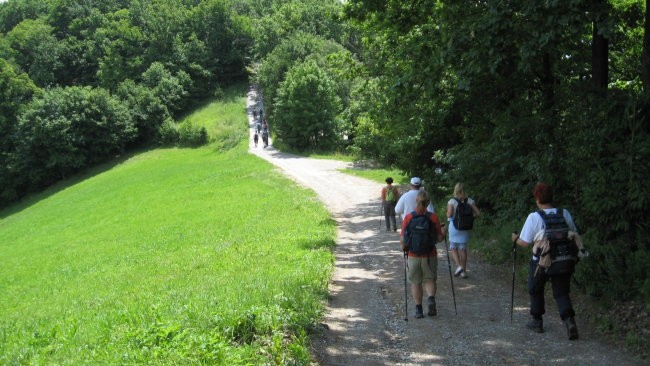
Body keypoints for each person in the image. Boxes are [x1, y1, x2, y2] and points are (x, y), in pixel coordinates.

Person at [511, 182, 580, 340]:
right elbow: (574, 233)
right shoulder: (565, 213)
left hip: (541, 262)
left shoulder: (534, 217)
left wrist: (515, 239)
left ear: (537, 198)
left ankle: (537, 321)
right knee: (561, 292)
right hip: (564, 259)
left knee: (535, 289)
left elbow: (525, 242)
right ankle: (569, 321)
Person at [400, 190, 444, 318]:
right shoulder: (433, 217)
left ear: (416, 201)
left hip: (413, 255)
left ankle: (418, 310)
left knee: (416, 282)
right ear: (428, 202)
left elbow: (403, 240)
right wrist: (444, 231)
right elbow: (439, 238)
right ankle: (431, 300)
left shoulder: (408, 217)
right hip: (430, 254)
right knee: (430, 279)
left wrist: (404, 249)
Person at [446, 182, 480, 278]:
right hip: (465, 228)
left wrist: (448, 213)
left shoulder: (452, 201)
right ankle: (464, 271)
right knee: (463, 249)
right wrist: (470, 217)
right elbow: (478, 213)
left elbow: (449, 215)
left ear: (455, 190)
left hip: (454, 227)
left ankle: (458, 266)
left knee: (453, 248)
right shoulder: (469, 201)